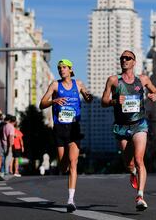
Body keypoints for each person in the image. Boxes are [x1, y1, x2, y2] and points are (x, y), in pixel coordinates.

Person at [101, 50, 156, 211]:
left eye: (128, 58)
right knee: (129, 163)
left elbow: (155, 91)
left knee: (140, 160)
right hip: (121, 126)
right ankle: (132, 171)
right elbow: (103, 101)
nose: (125, 60)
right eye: (122, 58)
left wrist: (154, 96)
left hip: (139, 124)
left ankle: (140, 196)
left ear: (134, 62)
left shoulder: (143, 79)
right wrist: (114, 100)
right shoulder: (113, 80)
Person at [39, 58, 93, 212]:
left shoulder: (78, 84)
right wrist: (54, 101)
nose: (61, 70)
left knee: (73, 162)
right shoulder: (55, 85)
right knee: (64, 165)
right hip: (60, 128)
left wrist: (88, 97)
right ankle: (63, 166)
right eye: (59, 68)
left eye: (64, 67)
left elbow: (88, 98)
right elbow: (41, 104)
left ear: (70, 69)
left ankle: (70, 200)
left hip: (74, 127)